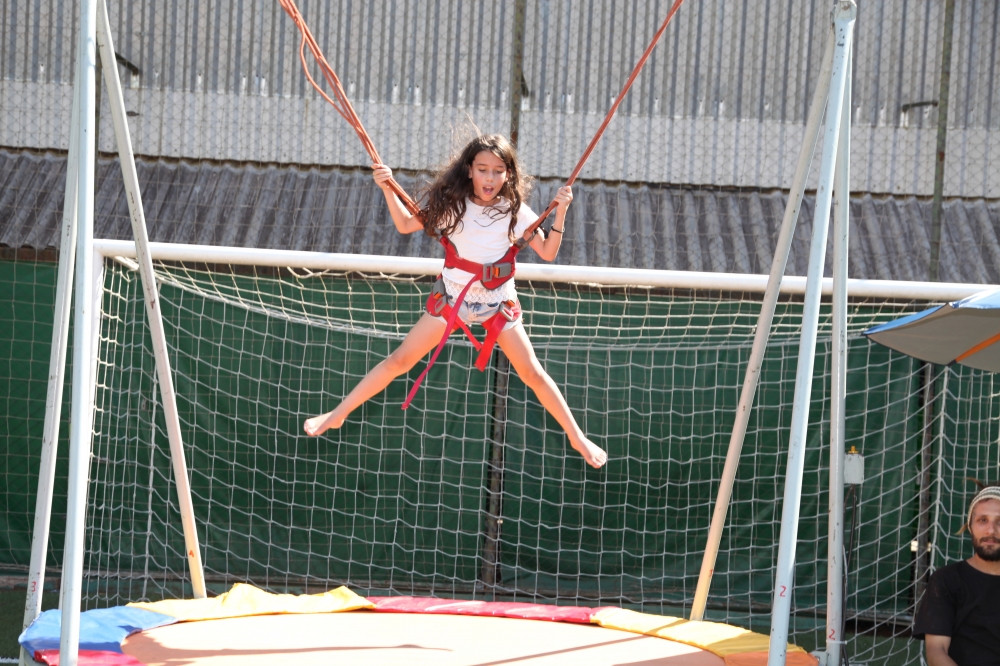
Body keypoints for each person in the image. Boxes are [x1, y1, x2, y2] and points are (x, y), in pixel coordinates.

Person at [304, 134, 608, 469]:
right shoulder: (453, 206)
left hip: (498, 304)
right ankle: (338, 413)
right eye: (482, 169)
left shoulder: (515, 212)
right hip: (451, 301)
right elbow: (405, 224)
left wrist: (561, 211)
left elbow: (548, 252)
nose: (489, 178)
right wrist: (387, 187)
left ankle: (576, 437)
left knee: (533, 373)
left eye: (498, 171)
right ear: (469, 170)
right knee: (399, 361)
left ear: (508, 174)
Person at [913, 485, 1000, 666]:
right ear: (970, 526)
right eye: (983, 520)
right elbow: (936, 652)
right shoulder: (946, 580)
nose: (991, 530)